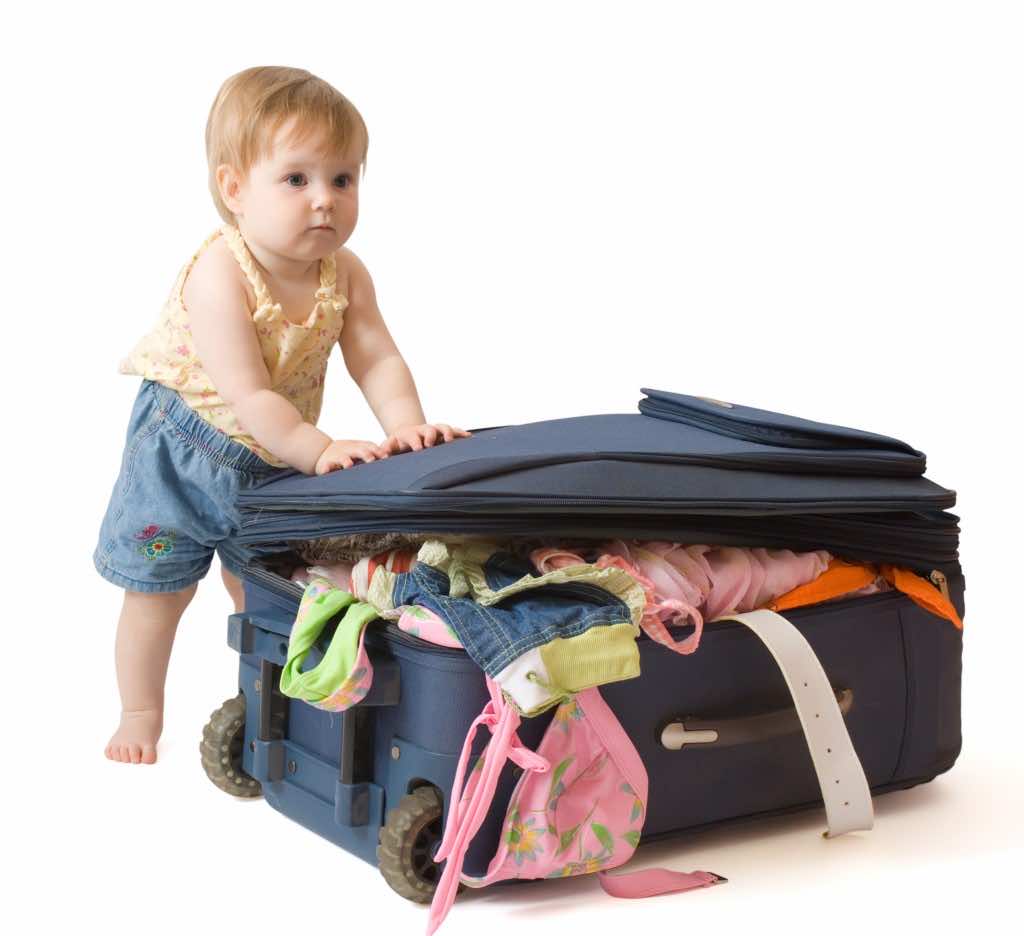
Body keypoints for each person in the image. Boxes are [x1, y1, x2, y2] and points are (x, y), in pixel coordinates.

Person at [94, 65, 471, 765]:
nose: (324, 200)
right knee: (158, 589)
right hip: (181, 454)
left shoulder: (347, 273)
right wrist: (317, 448)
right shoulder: (220, 273)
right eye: (296, 180)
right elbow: (250, 394)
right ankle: (139, 710)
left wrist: (405, 426)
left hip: (271, 463)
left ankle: (262, 702)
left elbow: (377, 359)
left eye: (343, 179)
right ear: (234, 188)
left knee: (266, 591)